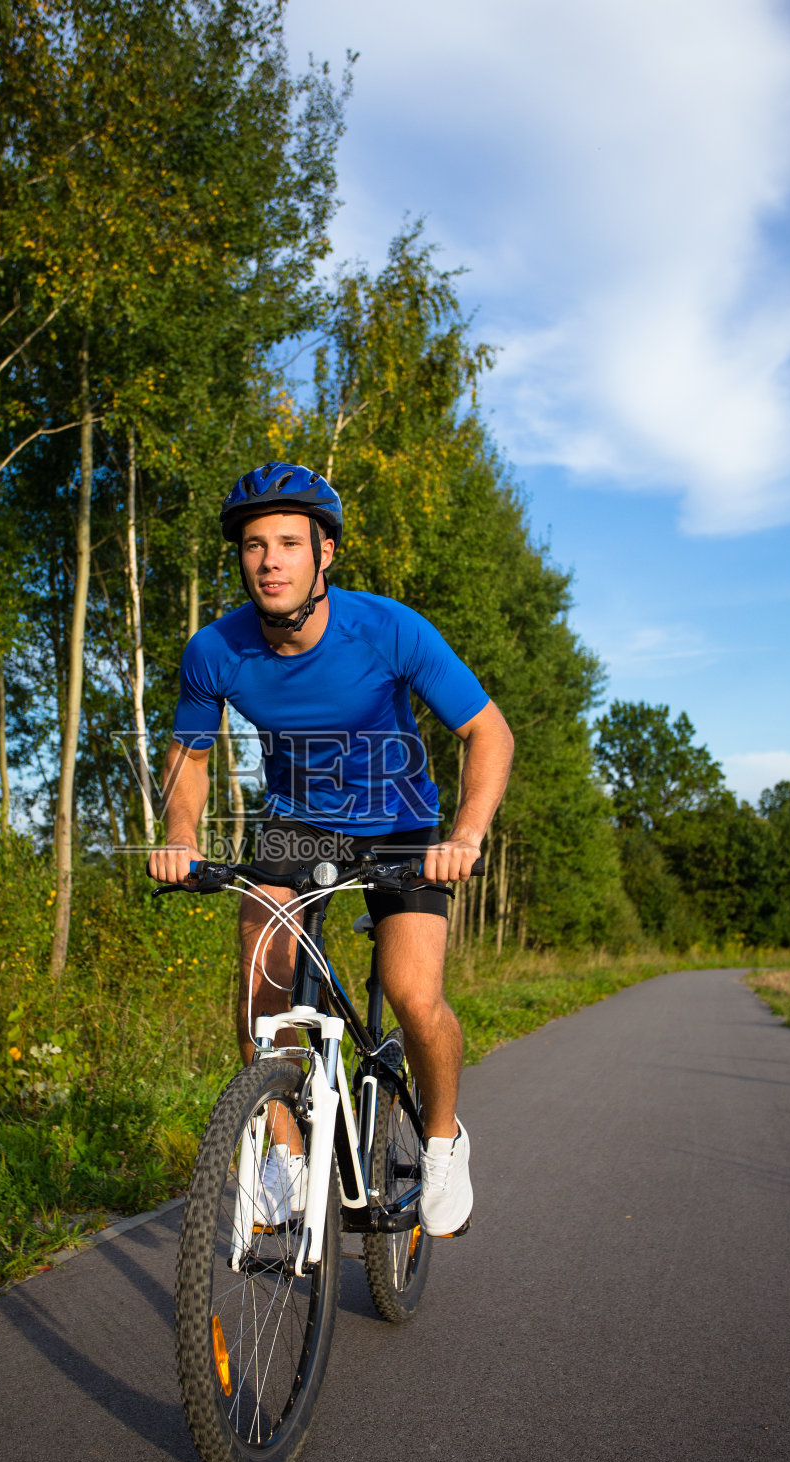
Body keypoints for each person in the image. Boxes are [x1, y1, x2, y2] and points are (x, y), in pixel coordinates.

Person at [147, 462, 514, 1236]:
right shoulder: (215, 650)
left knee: (413, 994)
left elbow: (487, 731)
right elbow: (190, 756)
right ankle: (285, 1154)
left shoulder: (387, 629)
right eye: (253, 545)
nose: (269, 561)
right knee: (262, 984)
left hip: (399, 822)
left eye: (288, 543)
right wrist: (180, 837)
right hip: (297, 821)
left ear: (325, 554)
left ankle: (442, 1139)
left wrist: (465, 836)